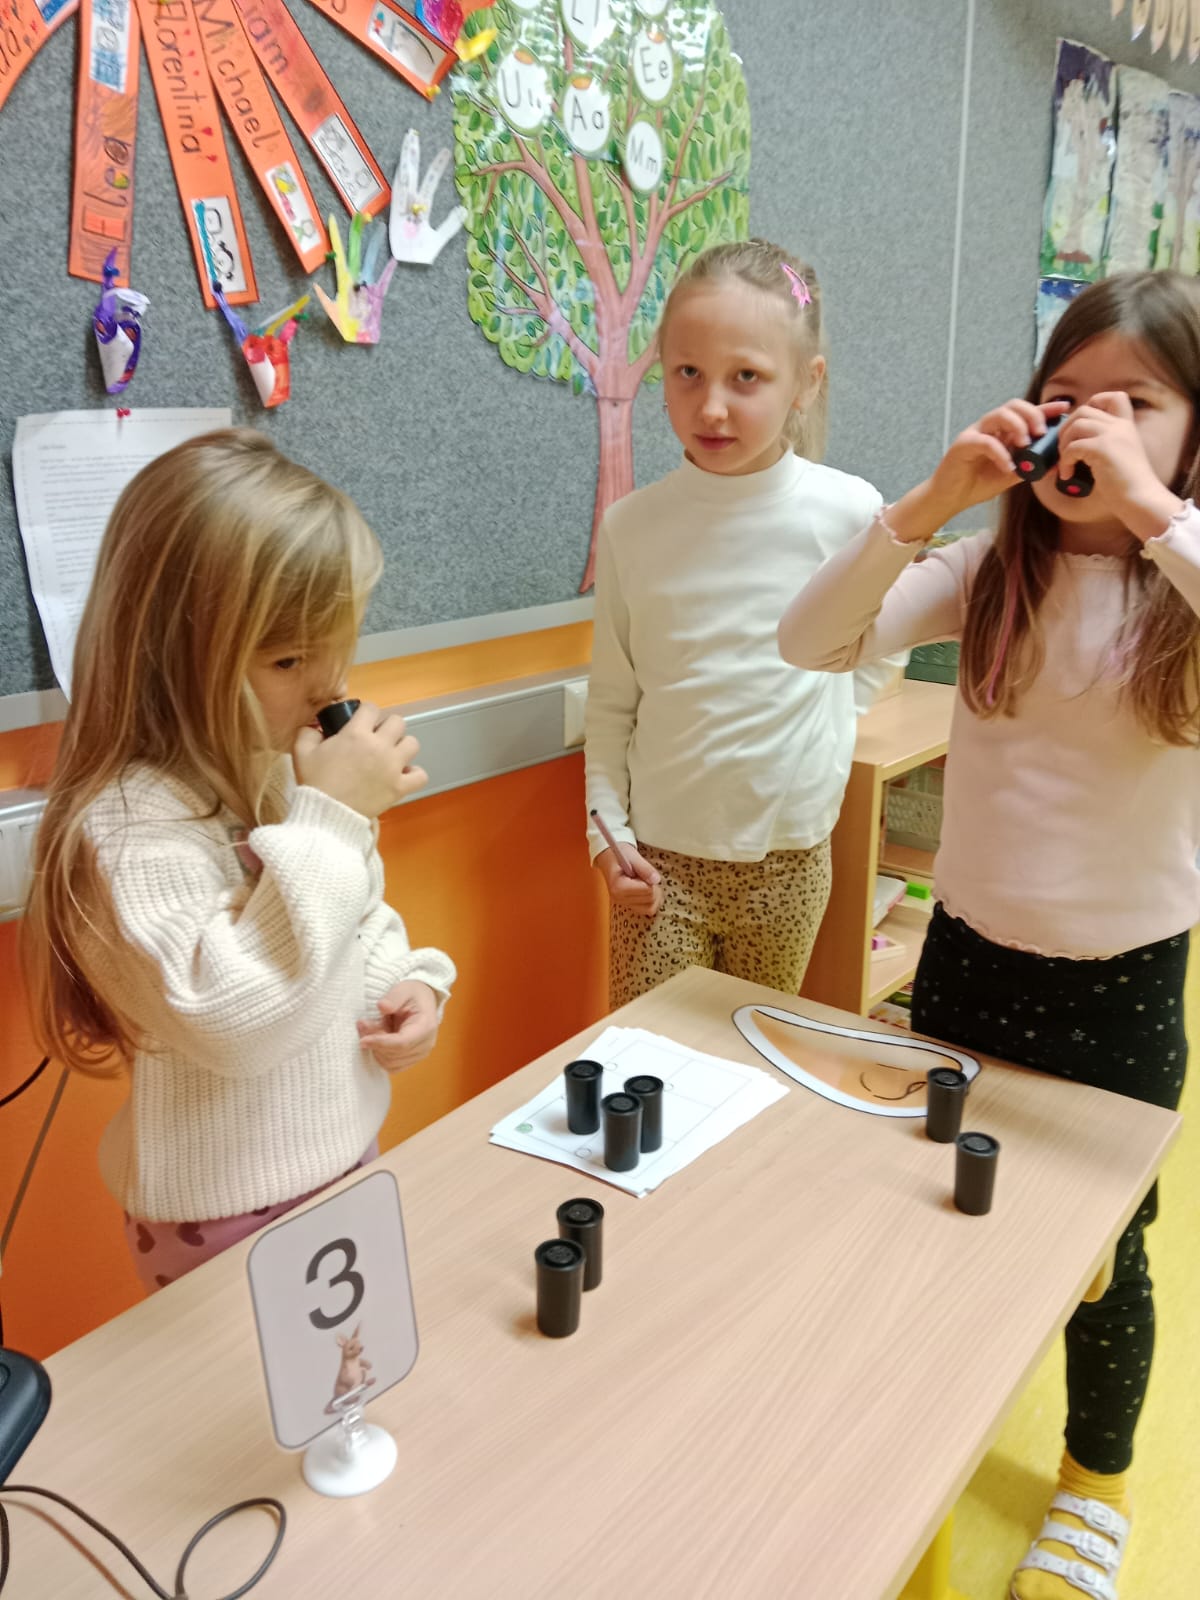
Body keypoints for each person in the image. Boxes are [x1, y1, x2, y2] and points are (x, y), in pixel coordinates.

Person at [778, 270, 1200, 1600]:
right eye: (1068, 399)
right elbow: (808, 640)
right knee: (941, 1213)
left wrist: (1156, 512)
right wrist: (929, 503)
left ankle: (1097, 1480)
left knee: (1103, 1258)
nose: (1093, 428)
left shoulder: (1181, 582)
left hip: (1122, 989)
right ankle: (922, 1430)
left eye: (1134, 405)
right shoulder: (988, 571)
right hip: (968, 962)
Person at [23, 429, 455, 1291]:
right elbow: (238, 1023)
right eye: (290, 659)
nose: (329, 688)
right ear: (169, 656)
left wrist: (406, 981)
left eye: (337, 647)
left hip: (343, 1157)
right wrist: (332, 820)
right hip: (221, 1218)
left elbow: (353, 916)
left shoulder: (274, 771)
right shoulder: (127, 827)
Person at [586, 238, 901, 1007]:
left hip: (788, 859)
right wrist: (606, 838)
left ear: (805, 383)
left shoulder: (851, 512)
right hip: (658, 863)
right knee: (646, 1058)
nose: (711, 407)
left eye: (747, 377)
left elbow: (881, 649)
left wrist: (825, 729)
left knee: (754, 1053)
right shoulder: (631, 527)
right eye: (687, 372)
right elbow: (613, 703)